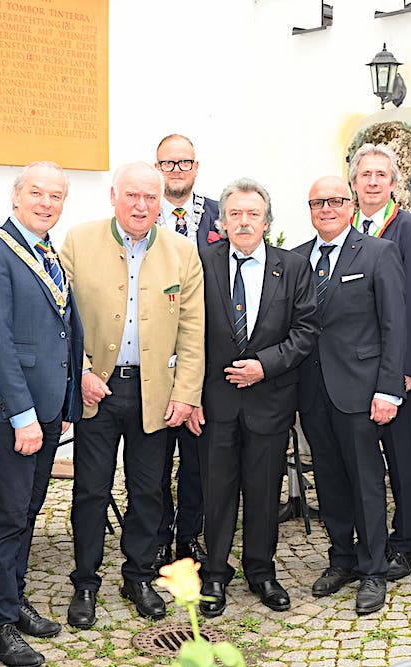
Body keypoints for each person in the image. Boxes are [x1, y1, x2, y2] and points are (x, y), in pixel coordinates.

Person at [59, 161, 204, 628]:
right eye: (132, 195)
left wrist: (186, 392)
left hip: (154, 393)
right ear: (114, 196)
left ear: (160, 202)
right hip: (96, 391)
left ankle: (138, 576)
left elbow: (193, 330)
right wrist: (81, 372)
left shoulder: (182, 252)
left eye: (150, 197)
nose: (141, 205)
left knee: (148, 490)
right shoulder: (78, 241)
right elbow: (60, 319)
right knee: (91, 490)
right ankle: (85, 582)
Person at [0, 161, 84, 667]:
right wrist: (22, 415)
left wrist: (66, 403)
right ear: (15, 197)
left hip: (48, 410)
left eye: (56, 195)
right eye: (37, 193)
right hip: (12, 415)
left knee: (26, 514)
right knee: (4, 518)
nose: (46, 203)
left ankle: (11, 600)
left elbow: (62, 331)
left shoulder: (47, 251)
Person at [186, 178, 318, 617]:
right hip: (214, 403)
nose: (244, 222)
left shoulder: (293, 267)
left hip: (270, 400)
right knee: (216, 492)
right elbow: (187, 333)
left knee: (264, 493)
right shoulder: (201, 263)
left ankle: (262, 572)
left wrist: (265, 365)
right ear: (222, 222)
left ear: (267, 221)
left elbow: (306, 331)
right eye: (235, 214)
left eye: (253, 214)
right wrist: (190, 395)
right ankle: (215, 574)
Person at [295, 175, 405, 615]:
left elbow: (395, 325)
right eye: (317, 202)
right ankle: (341, 558)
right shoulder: (297, 259)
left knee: (365, 482)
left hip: (360, 390)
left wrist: (389, 390)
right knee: (329, 479)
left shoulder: (378, 253)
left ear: (351, 205)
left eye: (336, 201)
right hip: (312, 390)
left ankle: (374, 569)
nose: (327, 209)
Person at [347, 143, 411, 580]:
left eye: (381, 174)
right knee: (359, 460)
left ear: (394, 183)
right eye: (366, 174)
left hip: (395, 368)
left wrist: (404, 369)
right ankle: (365, 537)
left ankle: (405, 542)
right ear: (354, 182)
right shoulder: (344, 225)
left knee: (400, 459)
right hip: (352, 369)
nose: (373, 182)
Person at [152, 133, 221, 571]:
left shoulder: (221, 215)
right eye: (168, 163)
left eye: (184, 163)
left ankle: (190, 536)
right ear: (157, 167)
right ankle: (158, 536)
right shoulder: (141, 215)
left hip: (203, 356)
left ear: (196, 167)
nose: (176, 170)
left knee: (197, 460)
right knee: (154, 460)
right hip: (154, 358)